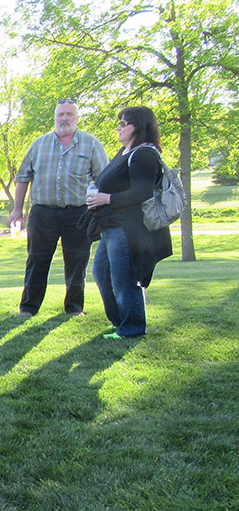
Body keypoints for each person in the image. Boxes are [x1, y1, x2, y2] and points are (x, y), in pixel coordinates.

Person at [9, 99, 109, 316]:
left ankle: (74, 308)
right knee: (37, 260)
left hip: (79, 213)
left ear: (77, 117)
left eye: (69, 114)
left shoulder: (91, 144)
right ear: (55, 118)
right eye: (60, 115)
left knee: (77, 261)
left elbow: (105, 179)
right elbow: (23, 177)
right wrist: (17, 210)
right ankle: (28, 308)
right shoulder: (39, 144)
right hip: (43, 212)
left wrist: (103, 207)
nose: (64, 119)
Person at [84, 106, 173, 338]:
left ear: (139, 126)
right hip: (111, 225)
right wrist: (96, 194)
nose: (119, 127)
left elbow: (141, 192)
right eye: (120, 123)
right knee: (102, 273)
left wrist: (106, 198)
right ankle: (120, 322)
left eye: (124, 123)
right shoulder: (124, 152)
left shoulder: (144, 154)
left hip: (128, 229)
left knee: (124, 280)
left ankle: (132, 328)